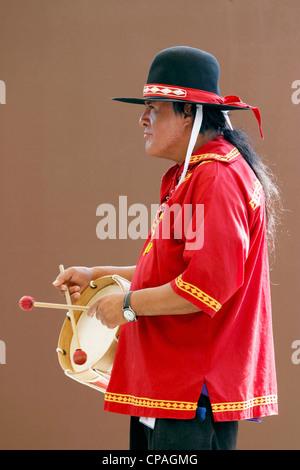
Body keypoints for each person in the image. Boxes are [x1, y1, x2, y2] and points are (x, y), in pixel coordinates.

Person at [53, 46, 280, 450]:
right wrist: (98, 276)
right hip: (171, 391)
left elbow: (207, 287)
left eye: (155, 108)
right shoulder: (195, 174)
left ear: (189, 113)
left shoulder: (218, 179)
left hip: (193, 394)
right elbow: (174, 273)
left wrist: (126, 305)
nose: (143, 118)